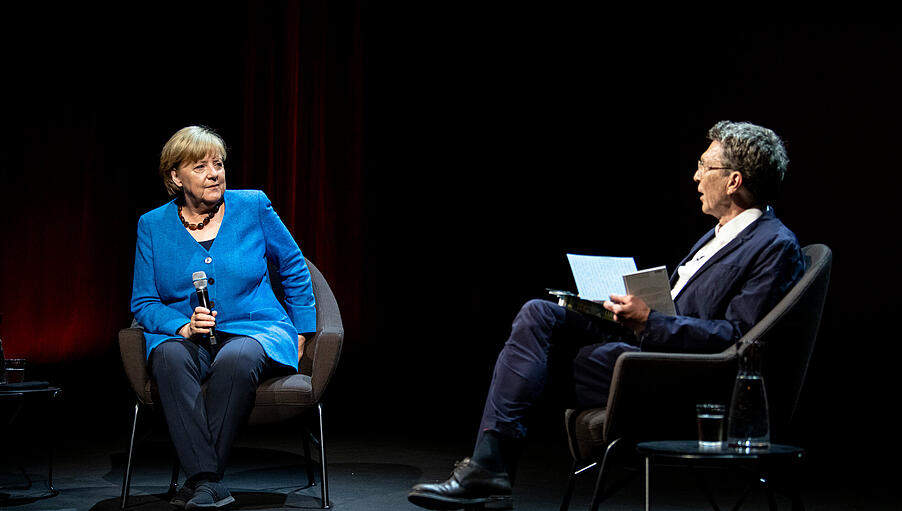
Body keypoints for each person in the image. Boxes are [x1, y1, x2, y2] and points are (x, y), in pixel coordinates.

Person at [407, 121, 807, 510]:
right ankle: (488, 468)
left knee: (540, 363)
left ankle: (488, 469)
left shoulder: (773, 244)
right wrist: (622, 310)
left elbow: (736, 335)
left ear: (734, 181)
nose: (696, 176)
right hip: (651, 344)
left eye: (705, 166)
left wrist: (650, 320)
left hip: (678, 374)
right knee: (540, 314)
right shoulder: (718, 234)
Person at [131, 126, 316, 510]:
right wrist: (181, 326)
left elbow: (295, 267)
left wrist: (303, 329)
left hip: (256, 330)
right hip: (189, 338)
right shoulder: (151, 225)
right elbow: (144, 302)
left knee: (238, 357)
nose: (214, 173)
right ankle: (208, 481)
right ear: (175, 177)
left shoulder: (253, 205)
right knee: (167, 356)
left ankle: (200, 480)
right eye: (200, 166)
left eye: (218, 163)